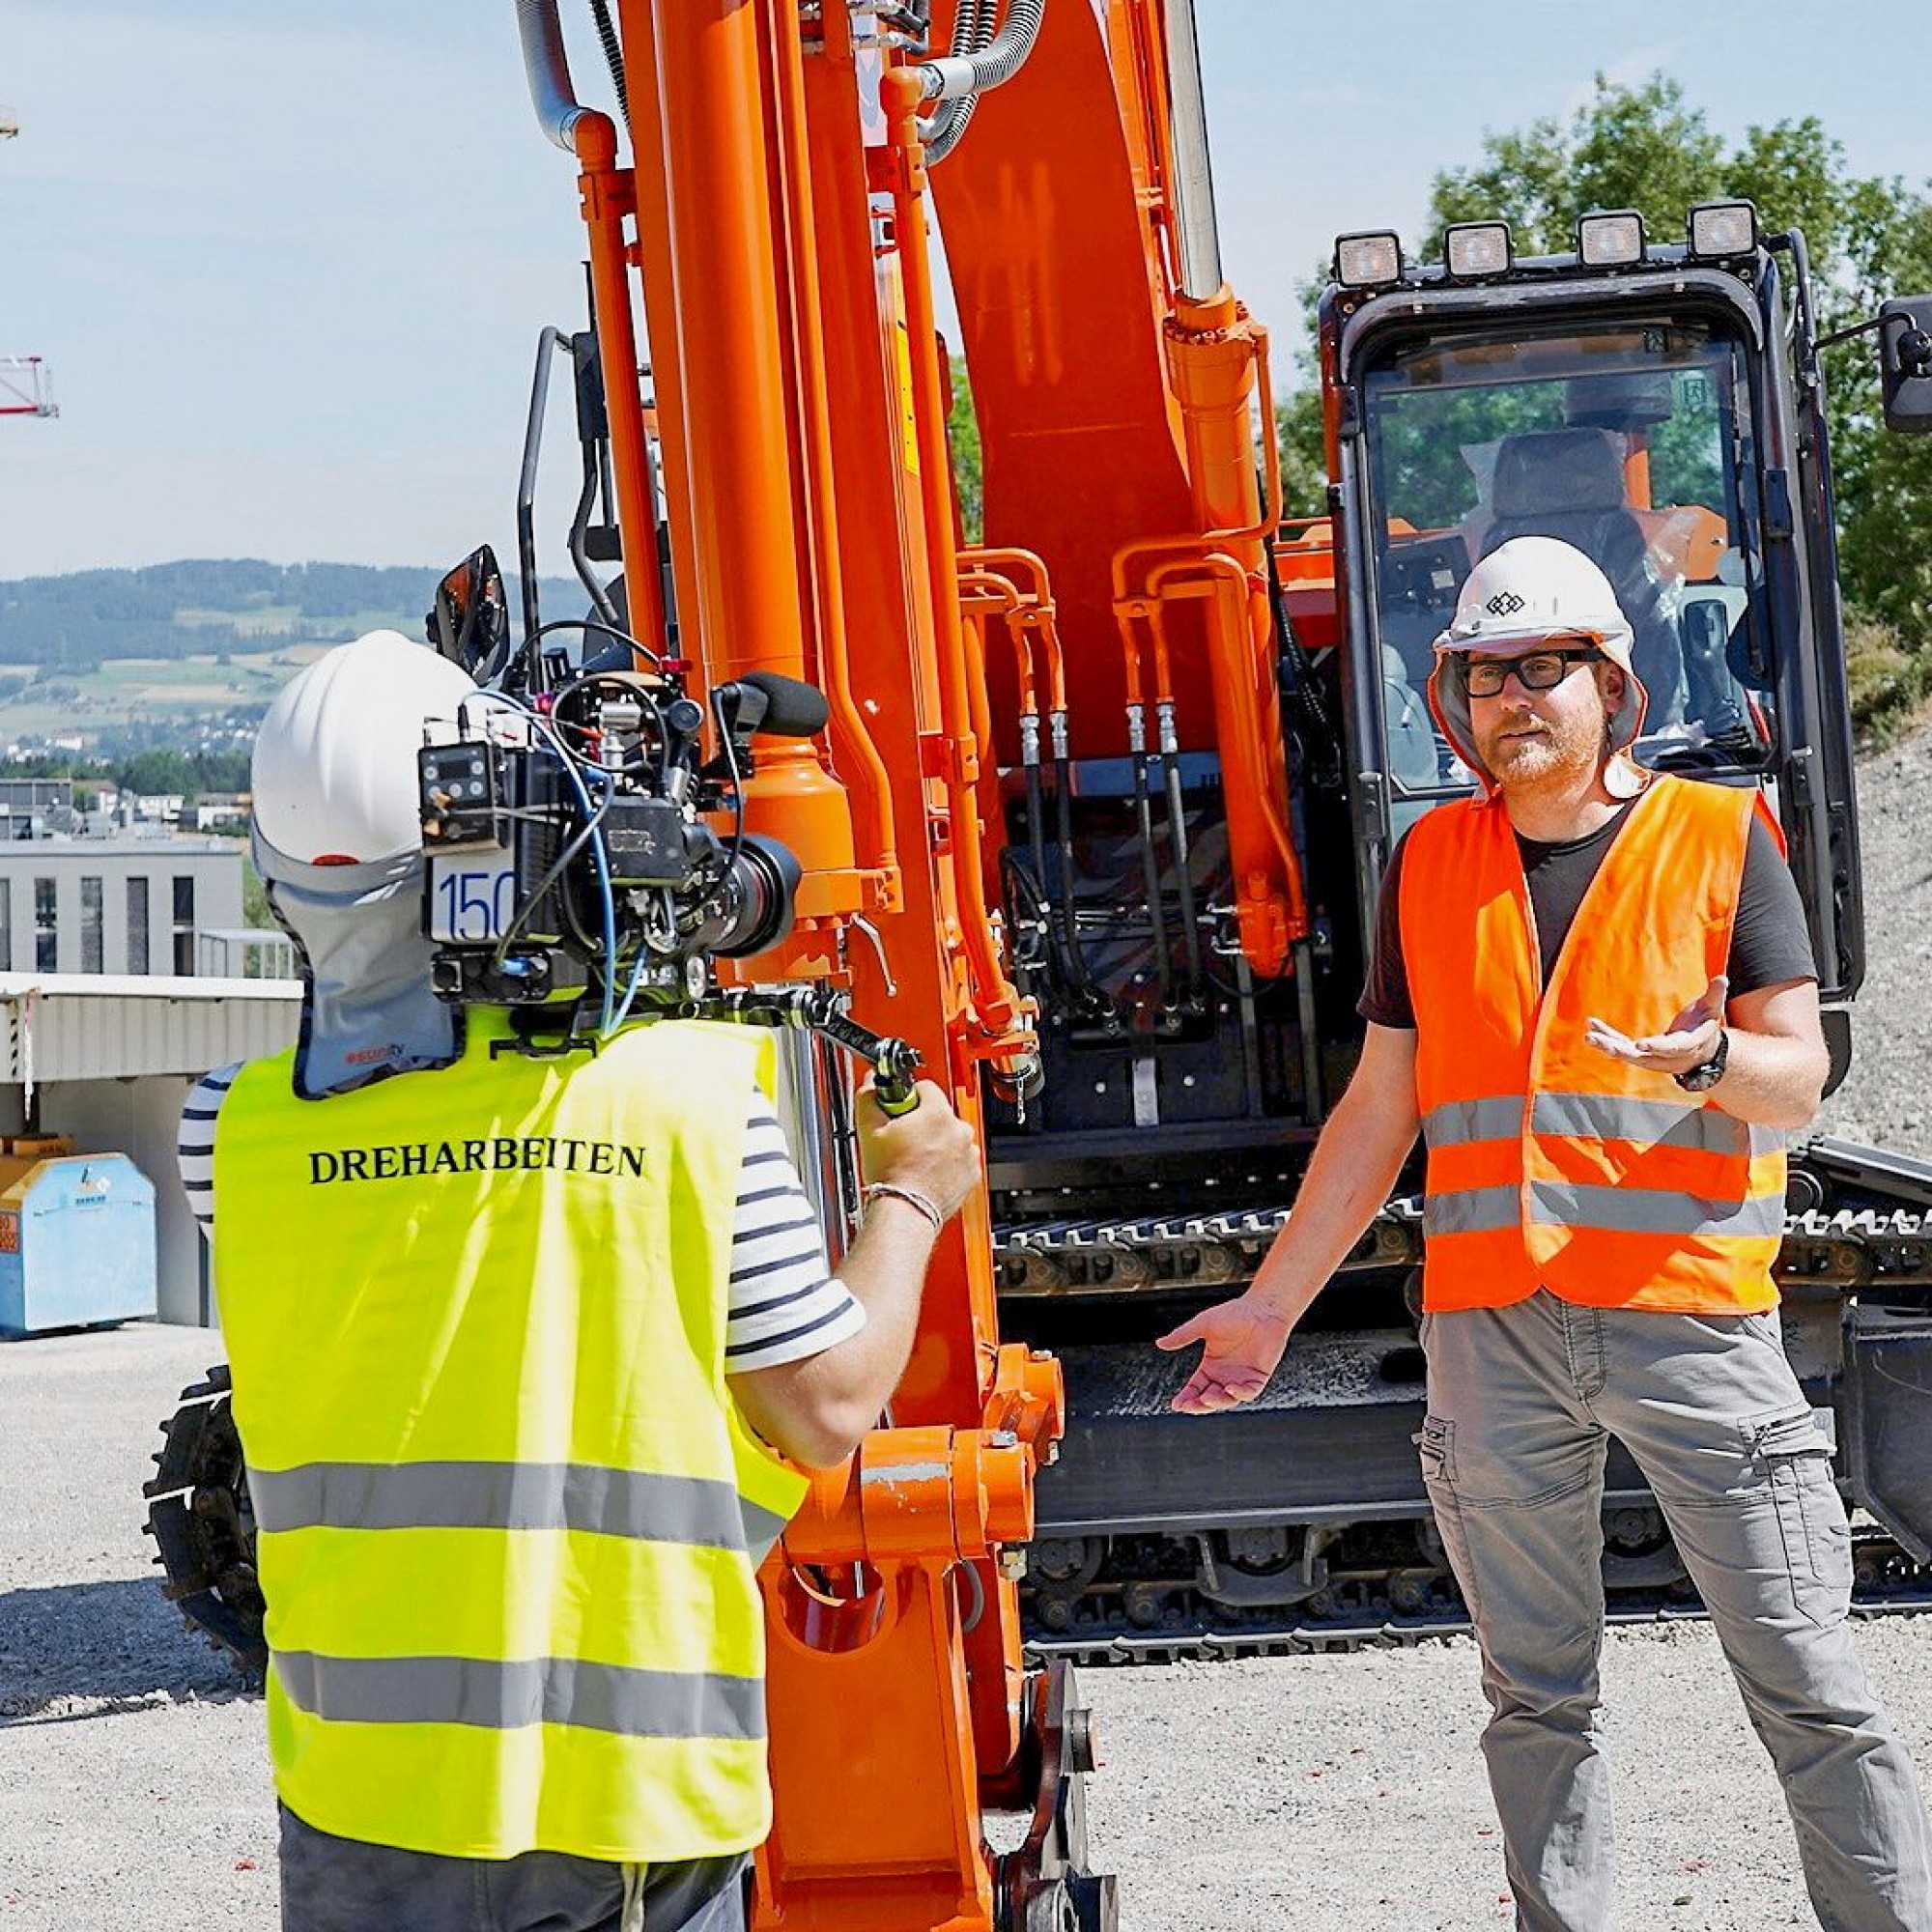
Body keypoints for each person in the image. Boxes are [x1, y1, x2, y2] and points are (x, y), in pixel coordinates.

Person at [1157, 538, 1932, 1932]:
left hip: (1687, 1317)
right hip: (1491, 1335)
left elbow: (1798, 1081)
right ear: (1453, 697)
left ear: (1609, 684)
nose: (1516, 697)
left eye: (1546, 667)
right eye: (1485, 672)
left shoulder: (1714, 838)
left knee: (1811, 1682)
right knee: (1534, 1702)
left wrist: (1704, 1060)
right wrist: (1270, 1306)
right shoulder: (1429, 862)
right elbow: (1377, 1112)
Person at [183, 629, 980, 1932]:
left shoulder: (233, 1131)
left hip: (358, 1793)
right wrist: (910, 1196)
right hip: (622, 1804)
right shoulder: (687, 1104)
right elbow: (826, 1409)